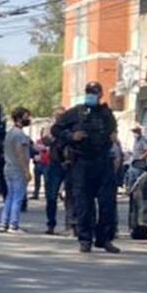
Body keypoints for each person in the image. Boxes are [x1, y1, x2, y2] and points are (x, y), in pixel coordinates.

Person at [55, 82, 120, 253]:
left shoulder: (106, 113)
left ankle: (104, 238)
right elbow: (56, 129)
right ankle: (85, 239)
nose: (92, 95)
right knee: (84, 203)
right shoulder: (76, 112)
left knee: (107, 203)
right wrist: (71, 136)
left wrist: (114, 137)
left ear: (100, 95)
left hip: (103, 162)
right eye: (89, 92)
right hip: (82, 162)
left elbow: (113, 132)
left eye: (95, 92)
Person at [0, 107, 32, 233]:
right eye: (26, 116)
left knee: (10, 196)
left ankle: (4, 223)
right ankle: (14, 225)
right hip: (17, 169)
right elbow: (20, 154)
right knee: (18, 197)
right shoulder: (20, 135)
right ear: (19, 118)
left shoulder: (10, 133)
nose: (28, 119)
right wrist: (26, 171)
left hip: (8, 167)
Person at [43, 106, 68, 235]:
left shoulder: (70, 127)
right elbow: (45, 140)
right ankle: (51, 224)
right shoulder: (51, 127)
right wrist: (52, 134)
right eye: (58, 116)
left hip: (69, 164)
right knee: (51, 196)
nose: (60, 118)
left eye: (62, 115)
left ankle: (71, 225)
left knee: (72, 196)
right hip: (55, 164)